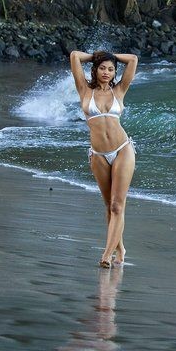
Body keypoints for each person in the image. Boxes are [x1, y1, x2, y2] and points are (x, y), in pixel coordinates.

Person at [70, 50, 139, 268]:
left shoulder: (119, 90)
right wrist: (97, 56)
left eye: (110, 69)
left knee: (117, 205)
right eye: (102, 68)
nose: (106, 72)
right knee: (109, 205)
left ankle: (107, 255)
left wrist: (109, 56)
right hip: (98, 154)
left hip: (122, 150)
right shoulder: (85, 90)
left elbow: (133, 59)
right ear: (95, 70)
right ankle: (120, 248)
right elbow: (74, 56)